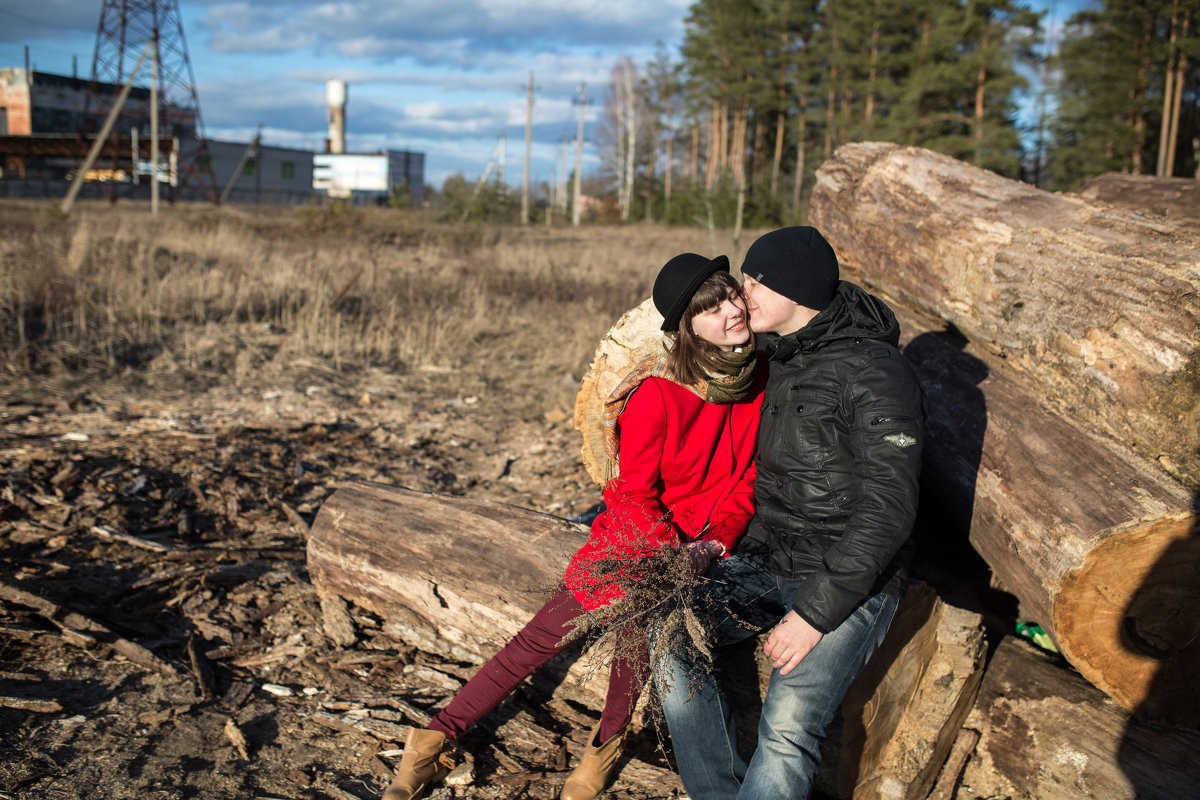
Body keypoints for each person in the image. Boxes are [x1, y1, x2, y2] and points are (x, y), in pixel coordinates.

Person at [383, 252, 766, 800]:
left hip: (703, 549)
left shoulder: (760, 378)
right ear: (688, 330)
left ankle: (596, 760)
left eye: (731, 297)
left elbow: (746, 481)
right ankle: (430, 744)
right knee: (536, 642)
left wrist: (712, 545)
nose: (731, 311)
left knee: (633, 652)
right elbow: (632, 493)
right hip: (636, 541)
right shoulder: (656, 395)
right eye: (711, 310)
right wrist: (665, 555)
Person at [658, 226, 925, 800]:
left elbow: (888, 509)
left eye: (755, 281)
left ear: (796, 289)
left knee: (787, 725)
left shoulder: (876, 373)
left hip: (850, 578)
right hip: (765, 558)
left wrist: (812, 616)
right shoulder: (777, 358)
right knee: (671, 637)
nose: (742, 292)